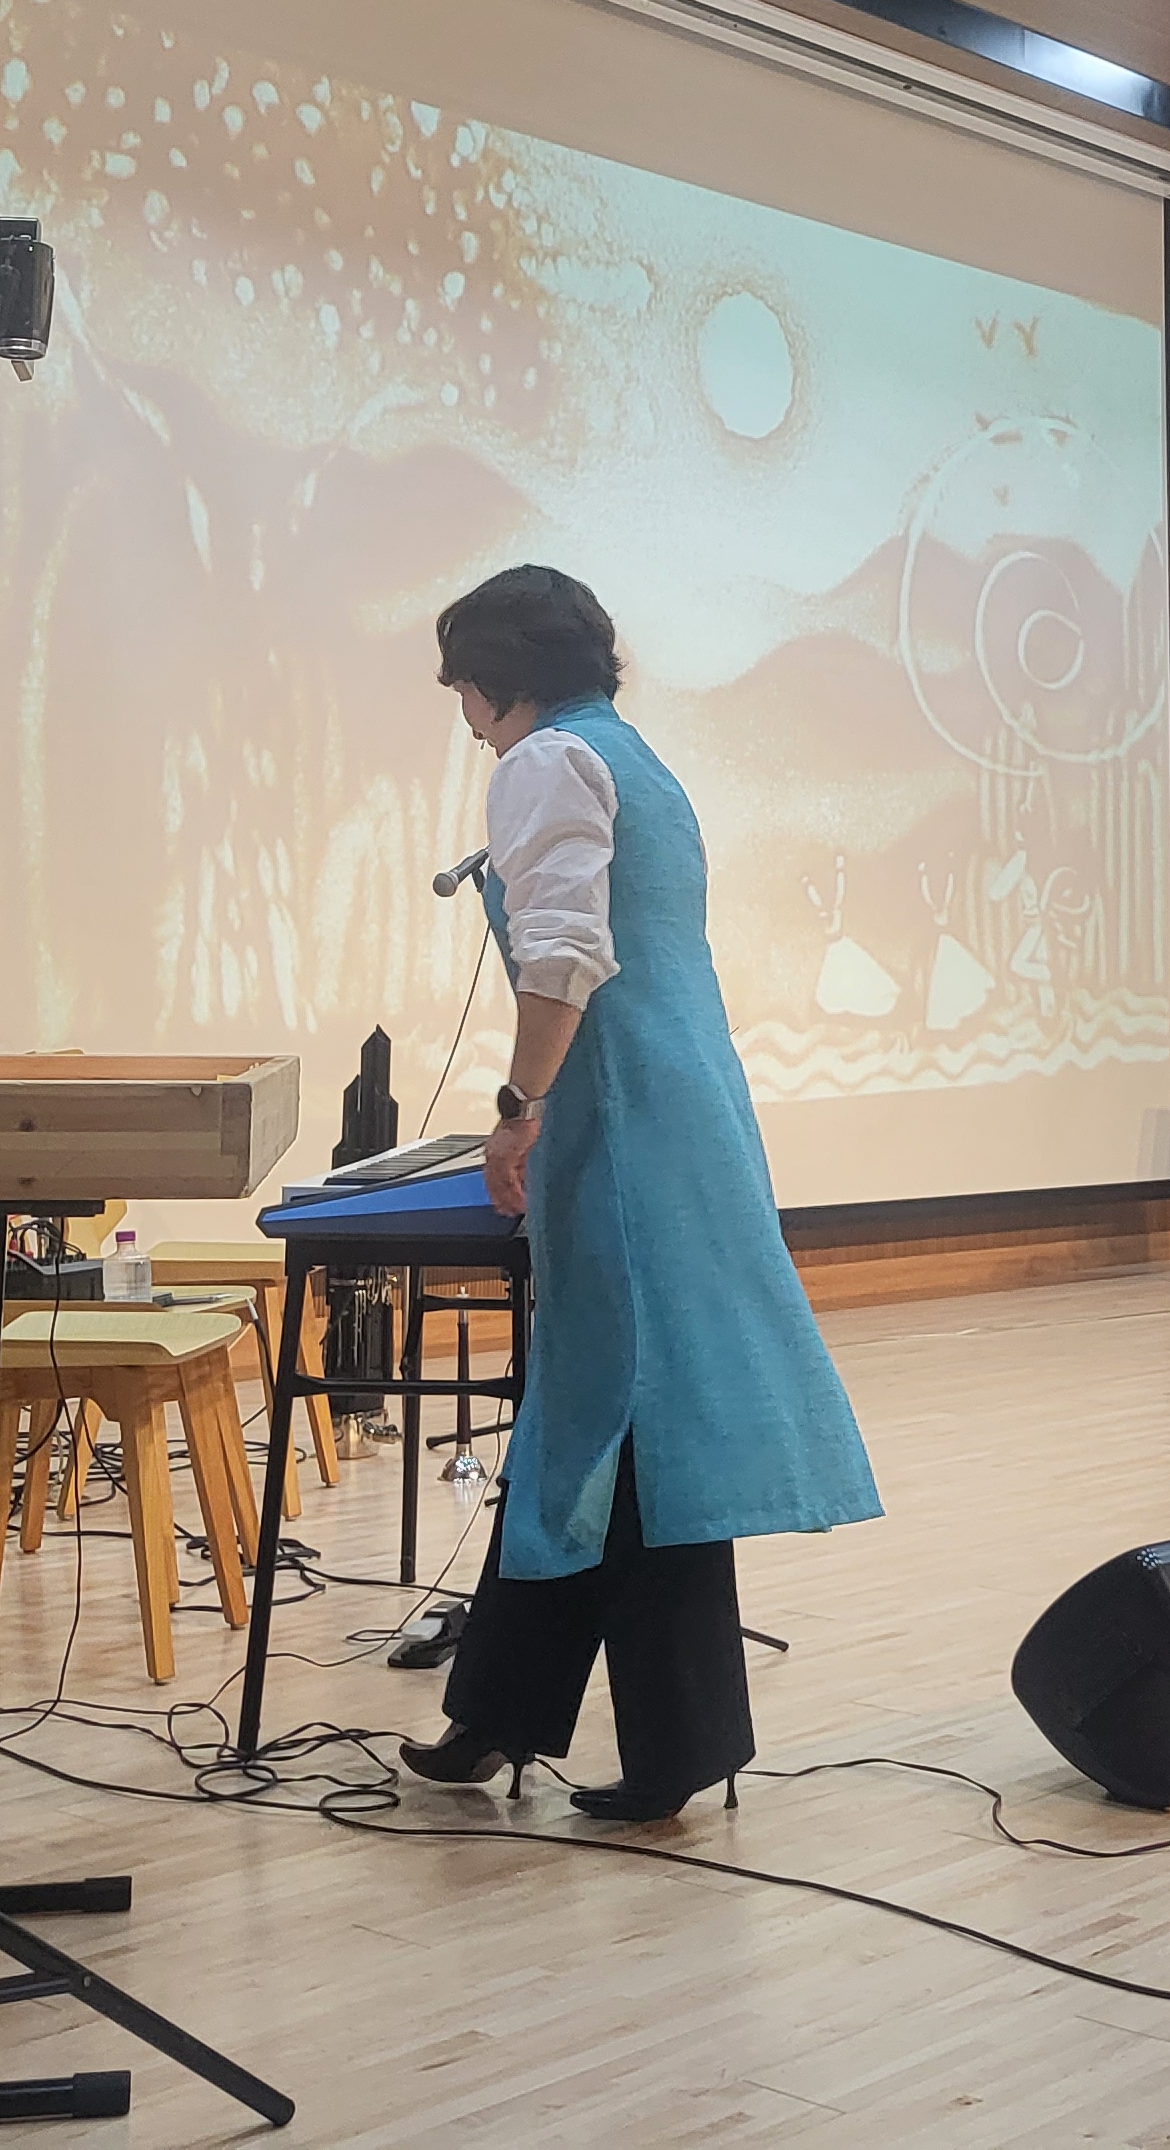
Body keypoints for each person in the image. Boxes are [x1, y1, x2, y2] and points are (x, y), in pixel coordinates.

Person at [398, 566, 881, 1821]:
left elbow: (564, 955)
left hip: (619, 1124)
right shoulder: (635, 758)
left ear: (496, 678)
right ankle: (498, 1714)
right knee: (587, 1420)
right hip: (681, 1108)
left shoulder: (545, 761)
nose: (462, 713)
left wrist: (517, 1109)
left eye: (461, 685)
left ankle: (675, 1745)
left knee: (630, 1426)